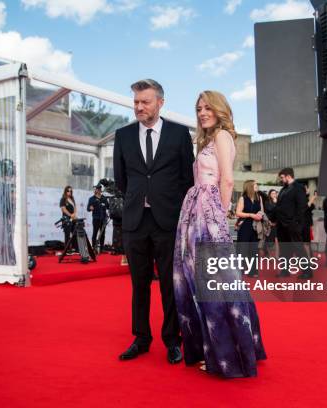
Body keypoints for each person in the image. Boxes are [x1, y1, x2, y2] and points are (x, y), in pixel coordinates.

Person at [173, 90, 266, 377]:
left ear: (219, 110)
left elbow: (227, 178)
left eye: (208, 108)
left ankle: (228, 352)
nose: (202, 113)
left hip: (208, 214)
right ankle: (216, 346)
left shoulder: (223, 136)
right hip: (195, 213)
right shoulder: (208, 139)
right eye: (198, 108)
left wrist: (218, 212)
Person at [114, 79, 194, 364]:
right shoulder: (122, 136)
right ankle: (141, 337)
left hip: (167, 221)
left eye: (145, 101)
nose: (139, 106)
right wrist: (140, 199)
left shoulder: (179, 134)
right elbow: (121, 179)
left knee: (169, 286)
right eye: (136, 101)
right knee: (139, 283)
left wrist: (170, 206)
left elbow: (187, 178)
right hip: (135, 221)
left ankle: (173, 340)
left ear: (160, 102)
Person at [274, 167, 311, 279]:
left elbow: (301, 207)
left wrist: (295, 222)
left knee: (298, 247)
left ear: (288, 176)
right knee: (284, 248)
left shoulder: (298, 188)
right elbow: (279, 206)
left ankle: (307, 271)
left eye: (282, 177)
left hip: (292, 224)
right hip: (281, 225)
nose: (281, 179)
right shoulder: (283, 189)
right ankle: (285, 270)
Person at [235, 180, 263, 277]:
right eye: (255, 184)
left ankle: (253, 271)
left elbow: (261, 210)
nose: (257, 186)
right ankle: (239, 271)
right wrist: (251, 215)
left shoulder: (259, 197)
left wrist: (259, 215)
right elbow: (238, 213)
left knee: (254, 250)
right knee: (242, 249)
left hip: (255, 226)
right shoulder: (243, 198)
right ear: (250, 186)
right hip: (245, 225)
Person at [87, 185, 109, 252]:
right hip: (96, 218)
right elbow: (88, 208)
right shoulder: (91, 199)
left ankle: (101, 248)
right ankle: (93, 247)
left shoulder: (104, 198)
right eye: (97, 189)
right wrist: (90, 208)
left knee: (102, 233)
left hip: (103, 218)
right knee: (95, 233)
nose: (98, 190)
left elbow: (108, 207)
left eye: (99, 189)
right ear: (95, 190)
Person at [59, 186, 77, 252]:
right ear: (65, 191)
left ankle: (74, 248)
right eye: (68, 191)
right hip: (66, 219)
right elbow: (63, 209)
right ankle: (66, 249)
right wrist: (70, 215)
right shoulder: (63, 199)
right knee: (67, 234)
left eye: (70, 191)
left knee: (74, 233)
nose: (69, 192)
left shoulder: (72, 199)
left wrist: (74, 214)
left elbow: (75, 208)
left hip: (73, 219)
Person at [303, 187, 317, 256]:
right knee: (305, 242)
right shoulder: (302, 199)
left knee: (308, 241)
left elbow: (311, 207)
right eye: (306, 189)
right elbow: (306, 207)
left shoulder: (307, 198)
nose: (308, 190)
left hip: (308, 223)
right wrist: (313, 198)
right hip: (304, 223)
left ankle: (310, 256)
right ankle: (307, 259)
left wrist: (313, 199)